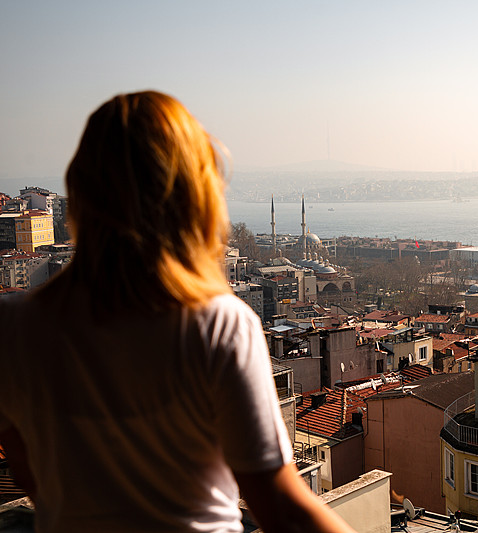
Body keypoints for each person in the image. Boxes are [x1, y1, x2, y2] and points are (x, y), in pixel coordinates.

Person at [0, 91, 355, 533]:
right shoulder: (217, 325)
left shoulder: (13, 326)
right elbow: (279, 505)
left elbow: (28, 469)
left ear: (81, 193)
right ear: (193, 197)